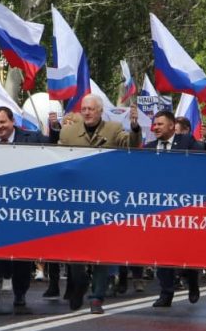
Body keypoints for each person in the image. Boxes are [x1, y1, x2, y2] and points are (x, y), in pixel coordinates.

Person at [56, 94, 142, 314]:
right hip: (75, 201)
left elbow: (131, 145)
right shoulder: (68, 132)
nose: (86, 112)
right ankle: (80, 282)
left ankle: (97, 297)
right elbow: (56, 160)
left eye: (91, 109)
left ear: (100, 110)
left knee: (101, 252)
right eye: (84, 109)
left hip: (104, 200)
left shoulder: (113, 129)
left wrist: (134, 128)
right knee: (74, 253)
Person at [0, 106, 51, 310]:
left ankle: (20, 293)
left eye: (3, 122)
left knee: (21, 255)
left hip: (23, 208)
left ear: (12, 122)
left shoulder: (32, 138)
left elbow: (55, 146)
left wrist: (55, 129)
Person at [144, 110, 203, 307]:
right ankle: (166, 293)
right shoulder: (149, 148)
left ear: (171, 126)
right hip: (158, 208)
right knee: (161, 252)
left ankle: (192, 280)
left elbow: (202, 163)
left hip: (184, 207)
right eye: (155, 124)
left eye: (160, 124)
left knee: (187, 249)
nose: (156, 127)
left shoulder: (187, 142)